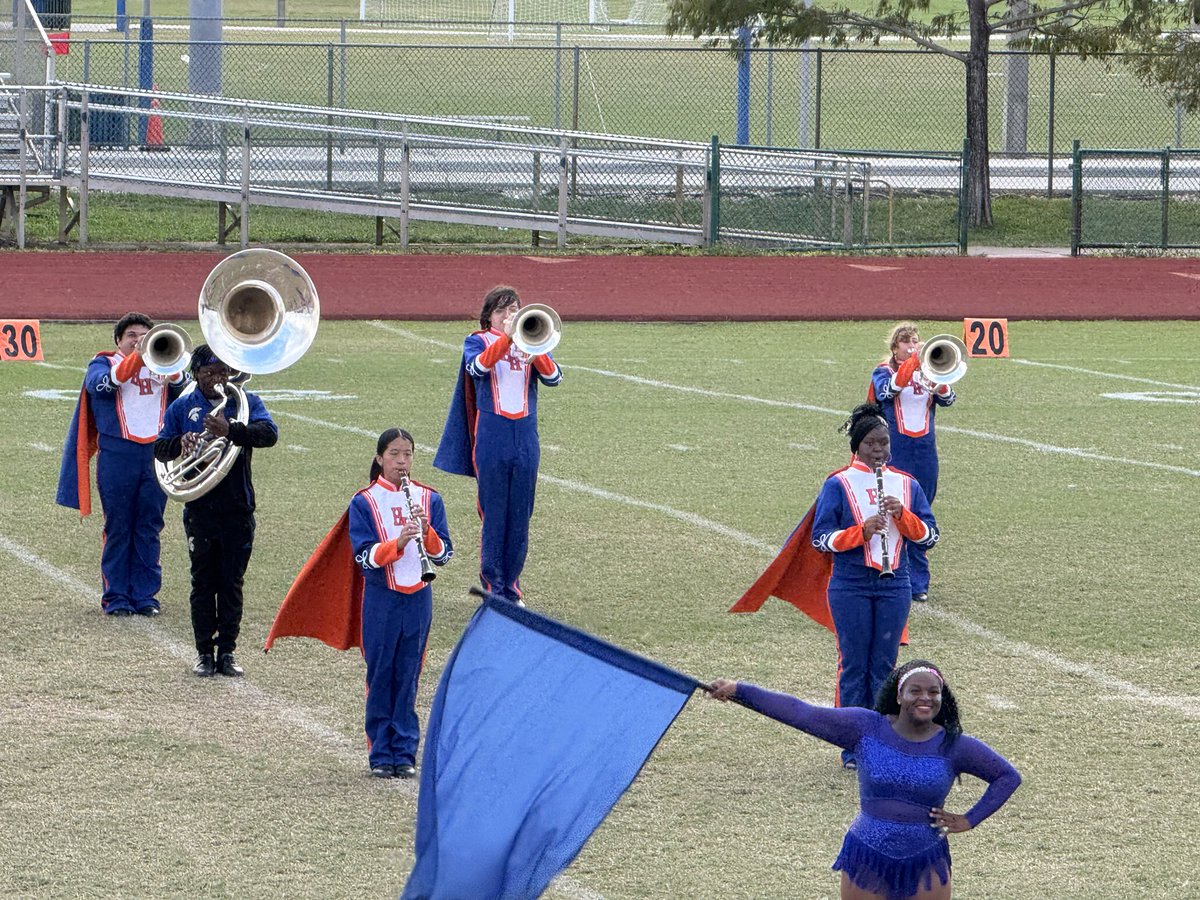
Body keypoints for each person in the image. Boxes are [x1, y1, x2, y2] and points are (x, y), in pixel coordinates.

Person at [709, 659, 1021, 900]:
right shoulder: (865, 726)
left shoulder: (955, 745)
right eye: (916, 691)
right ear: (899, 695)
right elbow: (800, 713)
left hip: (926, 859)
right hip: (867, 854)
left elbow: (1007, 776)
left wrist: (970, 819)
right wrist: (740, 690)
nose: (925, 698)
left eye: (933, 692)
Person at [812, 403, 938, 768]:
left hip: (894, 582)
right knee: (854, 664)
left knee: (885, 665)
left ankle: (883, 740)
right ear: (857, 446)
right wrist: (859, 533)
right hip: (850, 582)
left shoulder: (906, 484)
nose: (879, 450)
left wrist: (904, 516)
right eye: (871, 444)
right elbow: (820, 539)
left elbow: (930, 536)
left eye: (884, 443)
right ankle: (853, 744)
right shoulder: (838, 483)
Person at [154, 344, 278, 678]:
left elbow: (269, 434)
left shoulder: (244, 402)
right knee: (203, 582)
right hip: (200, 508)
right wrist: (183, 443)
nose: (217, 379)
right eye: (209, 373)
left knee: (232, 582)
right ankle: (203, 654)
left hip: (237, 507)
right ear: (196, 375)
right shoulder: (183, 406)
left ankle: (227, 653)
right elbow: (160, 448)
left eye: (223, 372)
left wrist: (232, 431)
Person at [433, 285, 561, 606]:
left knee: (521, 513)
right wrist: (507, 338)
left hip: (526, 436)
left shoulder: (531, 340)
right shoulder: (477, 340)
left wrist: (535, 349)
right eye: (502, 310)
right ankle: (493, 586)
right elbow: (477, 368)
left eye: (514, 309)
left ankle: (512, 586)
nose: (509, 315)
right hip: (492, 434)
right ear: (490, 315)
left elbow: (555, 377)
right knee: (494, 514)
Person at [56, 312, 186, 617]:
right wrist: (137, 359)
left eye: (145, 334)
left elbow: (186, 390)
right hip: (117, 453)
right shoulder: (103, 363)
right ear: (119, 340)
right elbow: (99, 386)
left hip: (155, 453)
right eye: (132, 335)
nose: (139, 340)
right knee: (117, 525)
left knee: (149, 525)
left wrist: (174, 370)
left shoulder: (166, 361)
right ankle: (116, 596)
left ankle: (145, 596)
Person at [351, 428, 453, 778]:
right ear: (380, 458)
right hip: (382, 599)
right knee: (381, 674)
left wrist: (426, 532)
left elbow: (445, 555)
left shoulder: (429, 498)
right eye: (394, 454)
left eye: (407, 454)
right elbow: (363, 558)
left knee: (409, 674)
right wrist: (397, 543)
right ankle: (381, 751)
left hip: (418, 599)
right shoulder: (364, 501)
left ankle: (405, 751)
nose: (401, 461)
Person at [868, 323, 957, 603]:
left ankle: (919, 581)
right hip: (897, 452)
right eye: (906, 342)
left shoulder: (928, 370)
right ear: (895, 347)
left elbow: (949, 398)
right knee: (894, 511)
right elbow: (888, 391)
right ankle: (890, 570)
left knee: (920, 513)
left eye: (915, 341)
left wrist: (935, 377)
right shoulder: (884, 371)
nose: (912, 346)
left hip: (925, 453)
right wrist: (914, 365)